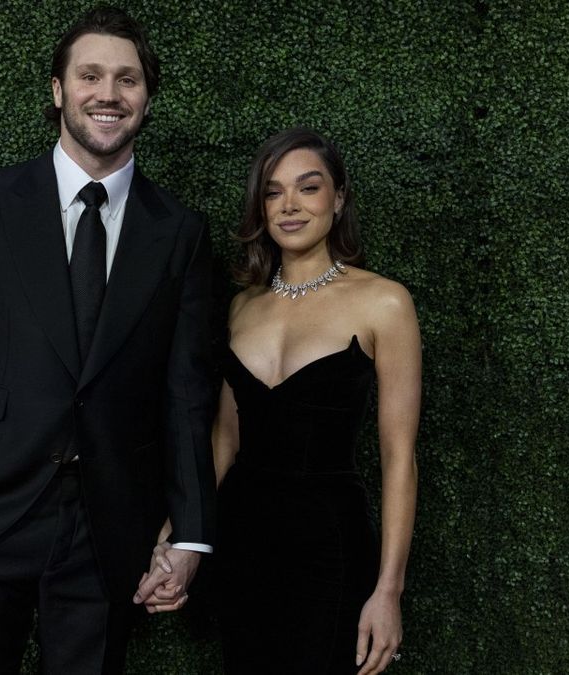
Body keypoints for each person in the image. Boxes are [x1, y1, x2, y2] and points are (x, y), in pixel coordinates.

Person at [0, 7, 217, 673]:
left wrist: (189, 534)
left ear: (147, 98)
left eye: (127, 80)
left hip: (106, 529)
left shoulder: (179, 233)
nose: (108, 93)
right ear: (58, 90)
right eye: (90, 75)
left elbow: (187, 396)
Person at [213, 128, 421, 675]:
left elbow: (400, 458)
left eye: (309, 187)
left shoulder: (384, 302)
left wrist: (388, 592)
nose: (289, 205)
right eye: (273, 191)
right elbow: (225, 439)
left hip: (330, 544)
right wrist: (182, 534)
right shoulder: (241, 307)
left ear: (339, 197)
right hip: (241, 542)